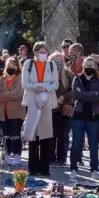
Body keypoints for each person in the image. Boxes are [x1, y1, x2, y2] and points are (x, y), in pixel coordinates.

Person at [21, 41, 59, 176]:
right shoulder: (28, 64)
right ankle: (33, 167)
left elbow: (55, 83)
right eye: (41, 52)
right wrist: (36, 87)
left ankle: (44, 167)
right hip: (32, 102)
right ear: (35, 52)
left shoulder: (52, 65)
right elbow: (25, 83)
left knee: (45, 135)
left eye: (45, 52)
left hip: (47, 102)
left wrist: (45, 88)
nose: (44, 55)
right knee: (32, 135)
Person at [69, 57, 99, 179]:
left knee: (93, 145)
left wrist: (84, 95)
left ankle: (94, 169)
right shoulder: (77, 79)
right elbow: (76, 95)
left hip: (93, 117)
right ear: (83, 66)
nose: (89, 68)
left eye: (91, 65)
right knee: (76, 143)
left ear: (94, 67)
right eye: (86, 65)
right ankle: (73, 168)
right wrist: (92, 94)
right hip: (78, 116)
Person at [0, 57, 25, 165]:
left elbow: (18, 94)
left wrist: (5, 95)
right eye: (9, 65)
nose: (11, 68)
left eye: (13, 65)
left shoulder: (20, 78)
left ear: (17, 67)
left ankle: (17, 155)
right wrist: (9, 95)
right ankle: (7, 154)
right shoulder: (1, 80)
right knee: (6, 135)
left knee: (15, 134)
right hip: (3, 112)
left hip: (17, 112)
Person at [48, 52, 74, 167]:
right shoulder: (46, 75)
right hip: (51, 109)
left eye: (60, 61)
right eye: (55, 61)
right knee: (51, 135)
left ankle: (62, 159)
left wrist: (64, 97)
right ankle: (51, 159)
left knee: (63, 135)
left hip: (65, 109)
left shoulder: (69, 74)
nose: (58, 63)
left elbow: (74, 90)